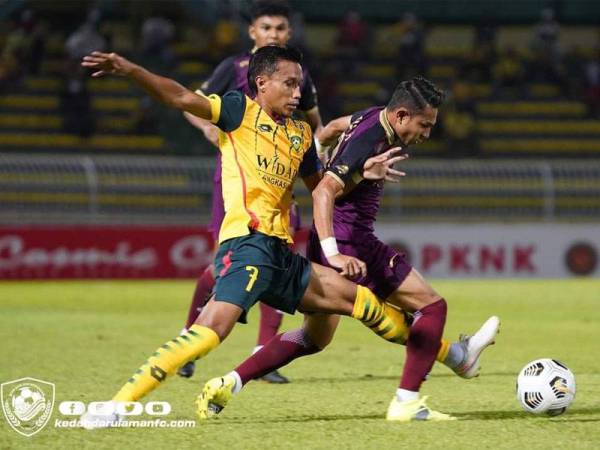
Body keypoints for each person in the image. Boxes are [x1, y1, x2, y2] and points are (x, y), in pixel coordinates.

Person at [79, 45, 412, 428]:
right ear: (262, 83)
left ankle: (447, 354)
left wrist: (359, 173)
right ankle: (116, 406)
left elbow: (324, 188)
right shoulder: (239, 111)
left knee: (363, 302)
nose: (297, 93)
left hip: (281, 254)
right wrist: (130, 68)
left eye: (299, 85)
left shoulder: (300, 134)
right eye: (289, 84)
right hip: (247, 244)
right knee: (209, 334)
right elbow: (180, 96)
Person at [198, 77, 500, 422]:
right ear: (401, 115)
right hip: (350, 241)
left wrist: (317, 151)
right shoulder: (370, 138)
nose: (427, 134)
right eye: (424, 124)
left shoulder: (369, 117)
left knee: (314, 338)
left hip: (329, 238)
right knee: (431, 307)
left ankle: (231, 381)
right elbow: (323, 191)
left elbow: (331, 129)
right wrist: (334, 251)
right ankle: (408, 400)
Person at [179, 0, 323, 383]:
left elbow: (313, 124)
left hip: (282, 181)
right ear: (252, 32)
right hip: (238, 181)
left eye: (280, 28)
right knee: (221, 265)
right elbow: (191, 104)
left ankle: (263, 352)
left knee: (280, 255)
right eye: (267, 28)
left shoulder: (297, 76)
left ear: (288, 34)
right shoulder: (234, 68)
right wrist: (210, 129)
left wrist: (319, 155)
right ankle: (188, 335)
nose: (273, 34)